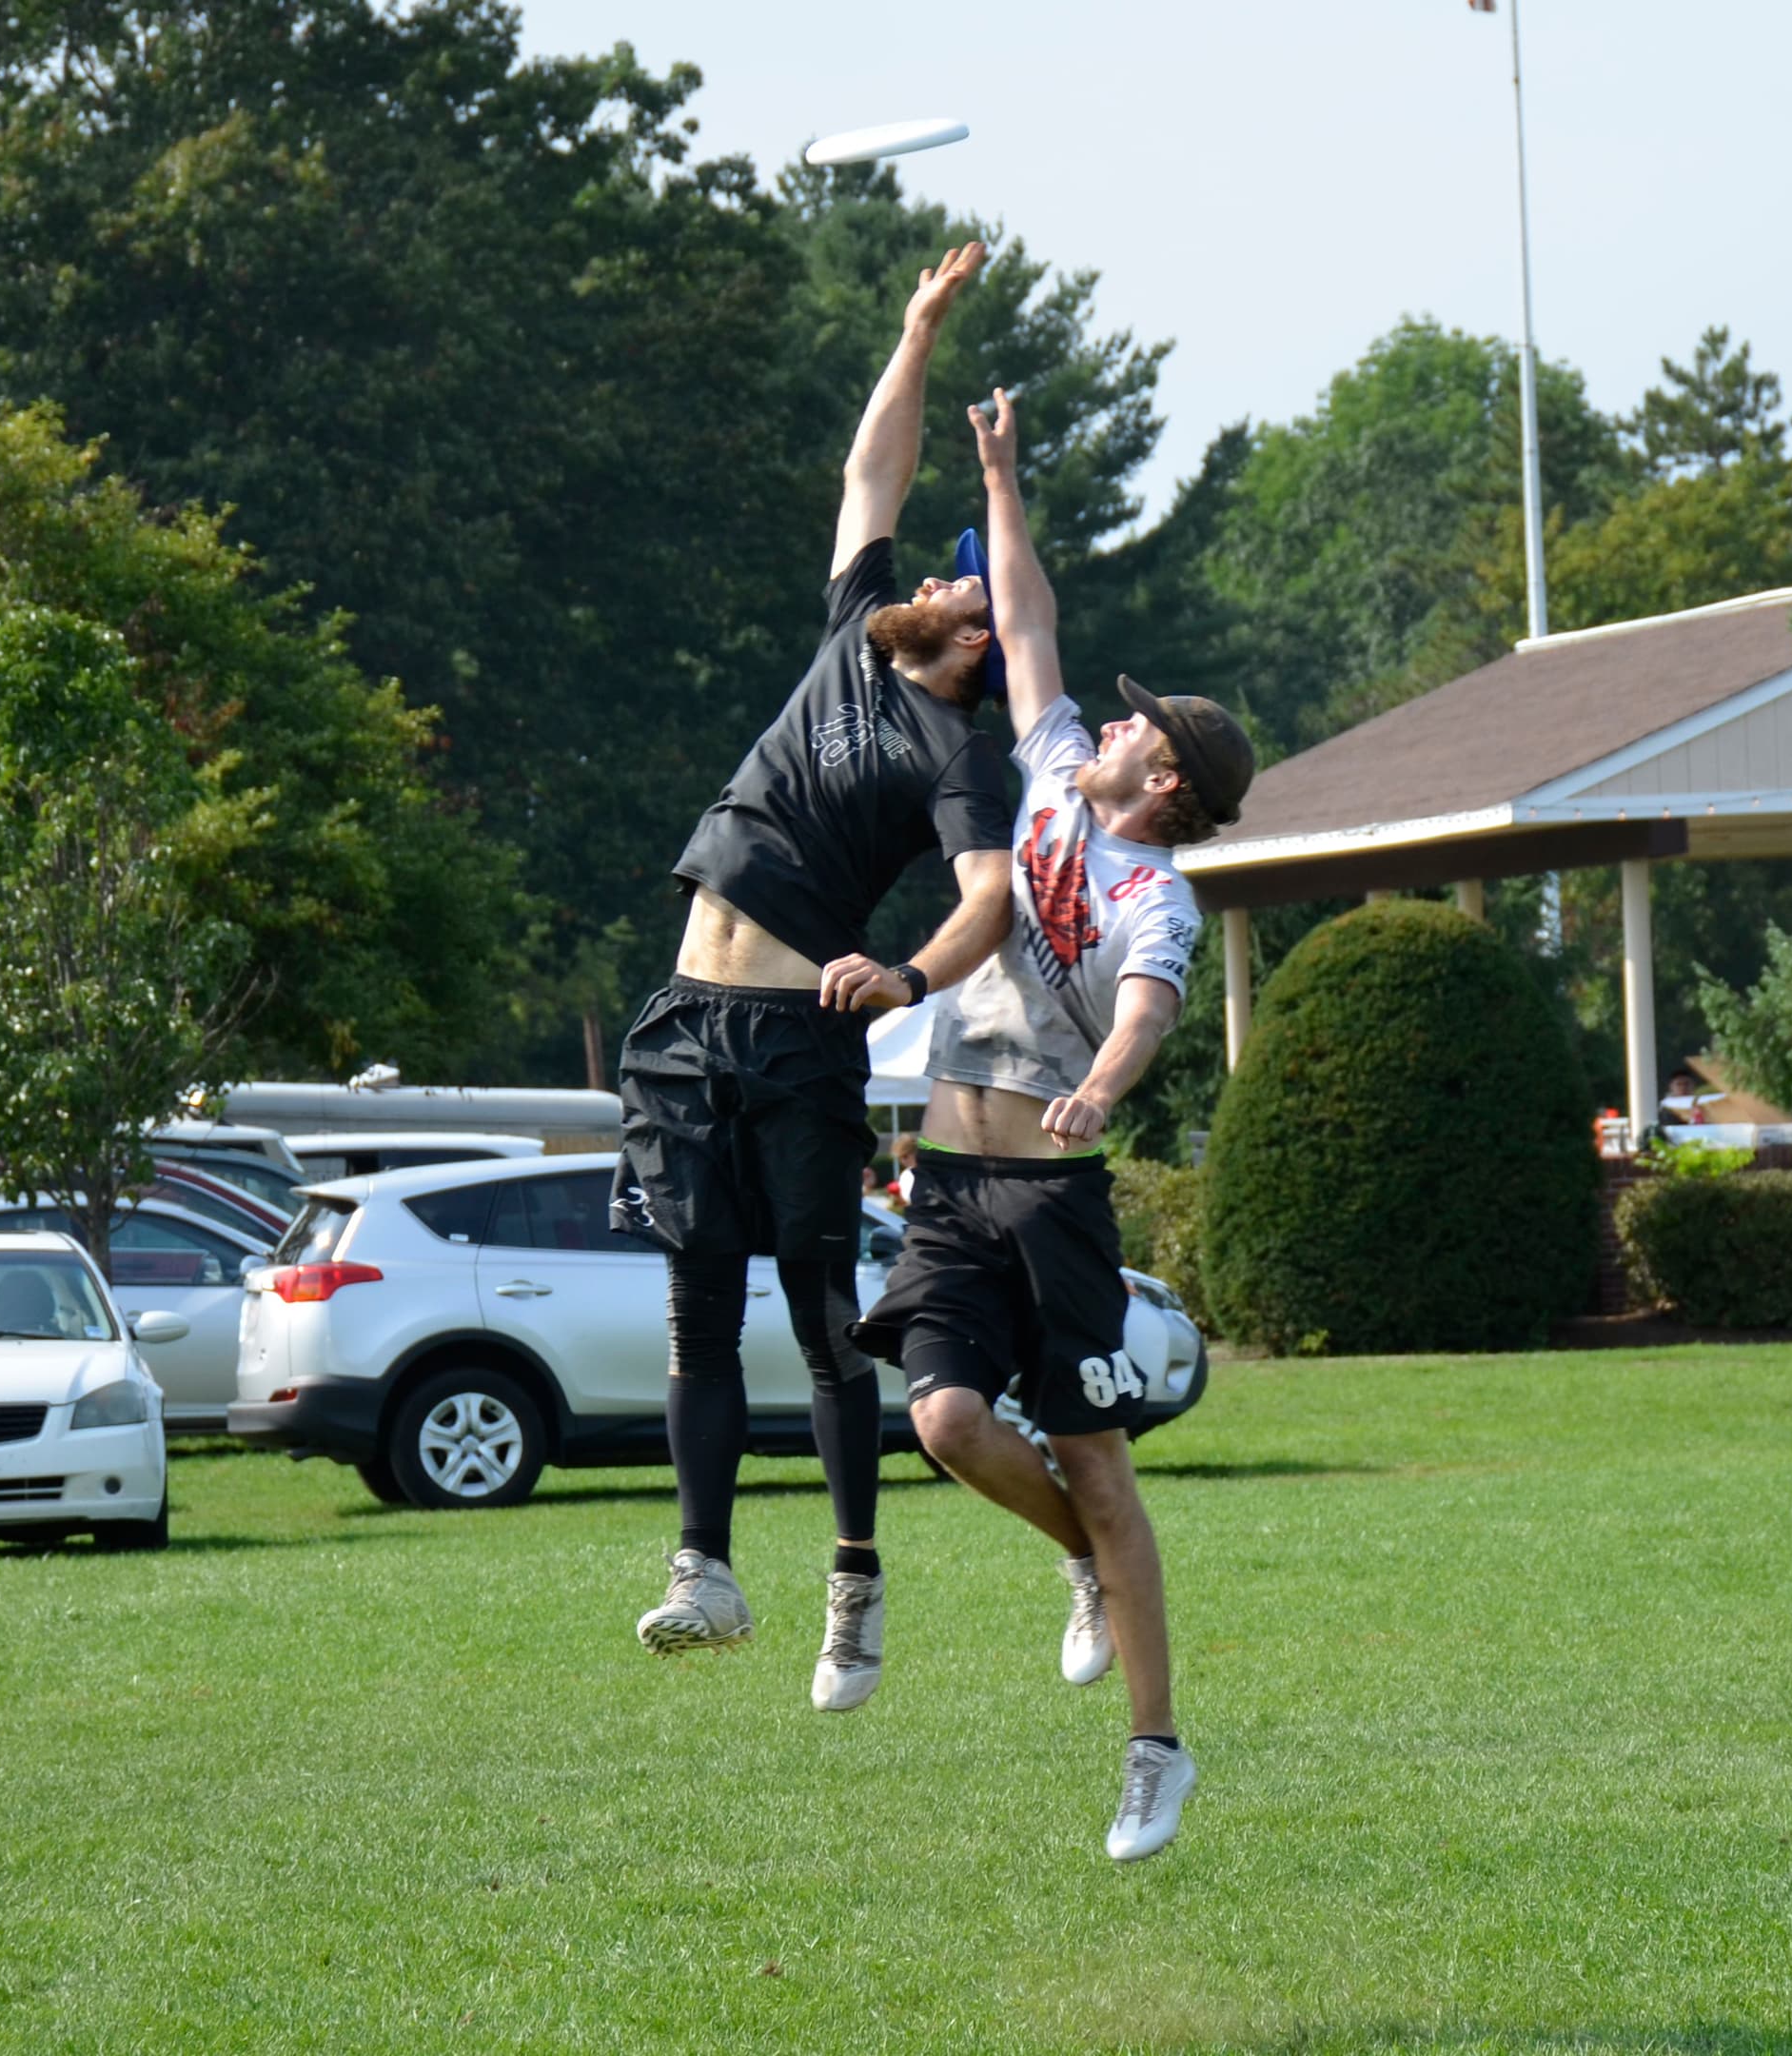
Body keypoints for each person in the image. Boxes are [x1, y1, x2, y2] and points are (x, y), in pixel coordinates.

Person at [613, 240, 1021, 1714]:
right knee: (696, 1313)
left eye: (960, 587)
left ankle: (853, 1589)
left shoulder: (958, 753)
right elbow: (870, 474)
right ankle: (705, 1573)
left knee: (820, 1319)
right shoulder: (857, 631)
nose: (935, 580)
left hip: (799, 1034)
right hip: (685, 1024)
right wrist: (914, 330)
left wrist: (907, 977)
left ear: (979, 645)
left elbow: (988, 899)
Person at [849, 386, 1256, 1863]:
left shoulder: (1159, 895)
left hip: (1052, 1201)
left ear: (1165, 780)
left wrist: (1106, 1085)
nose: (1112, 717)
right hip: (950, 1186)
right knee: (946, 1420)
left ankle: (1157, 1752)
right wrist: (1001, 475)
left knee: (1098, 1459)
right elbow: (1025, 621)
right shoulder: (1046, 766)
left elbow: (1144, 1012)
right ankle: (1086, 1567)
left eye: (1140, 726)